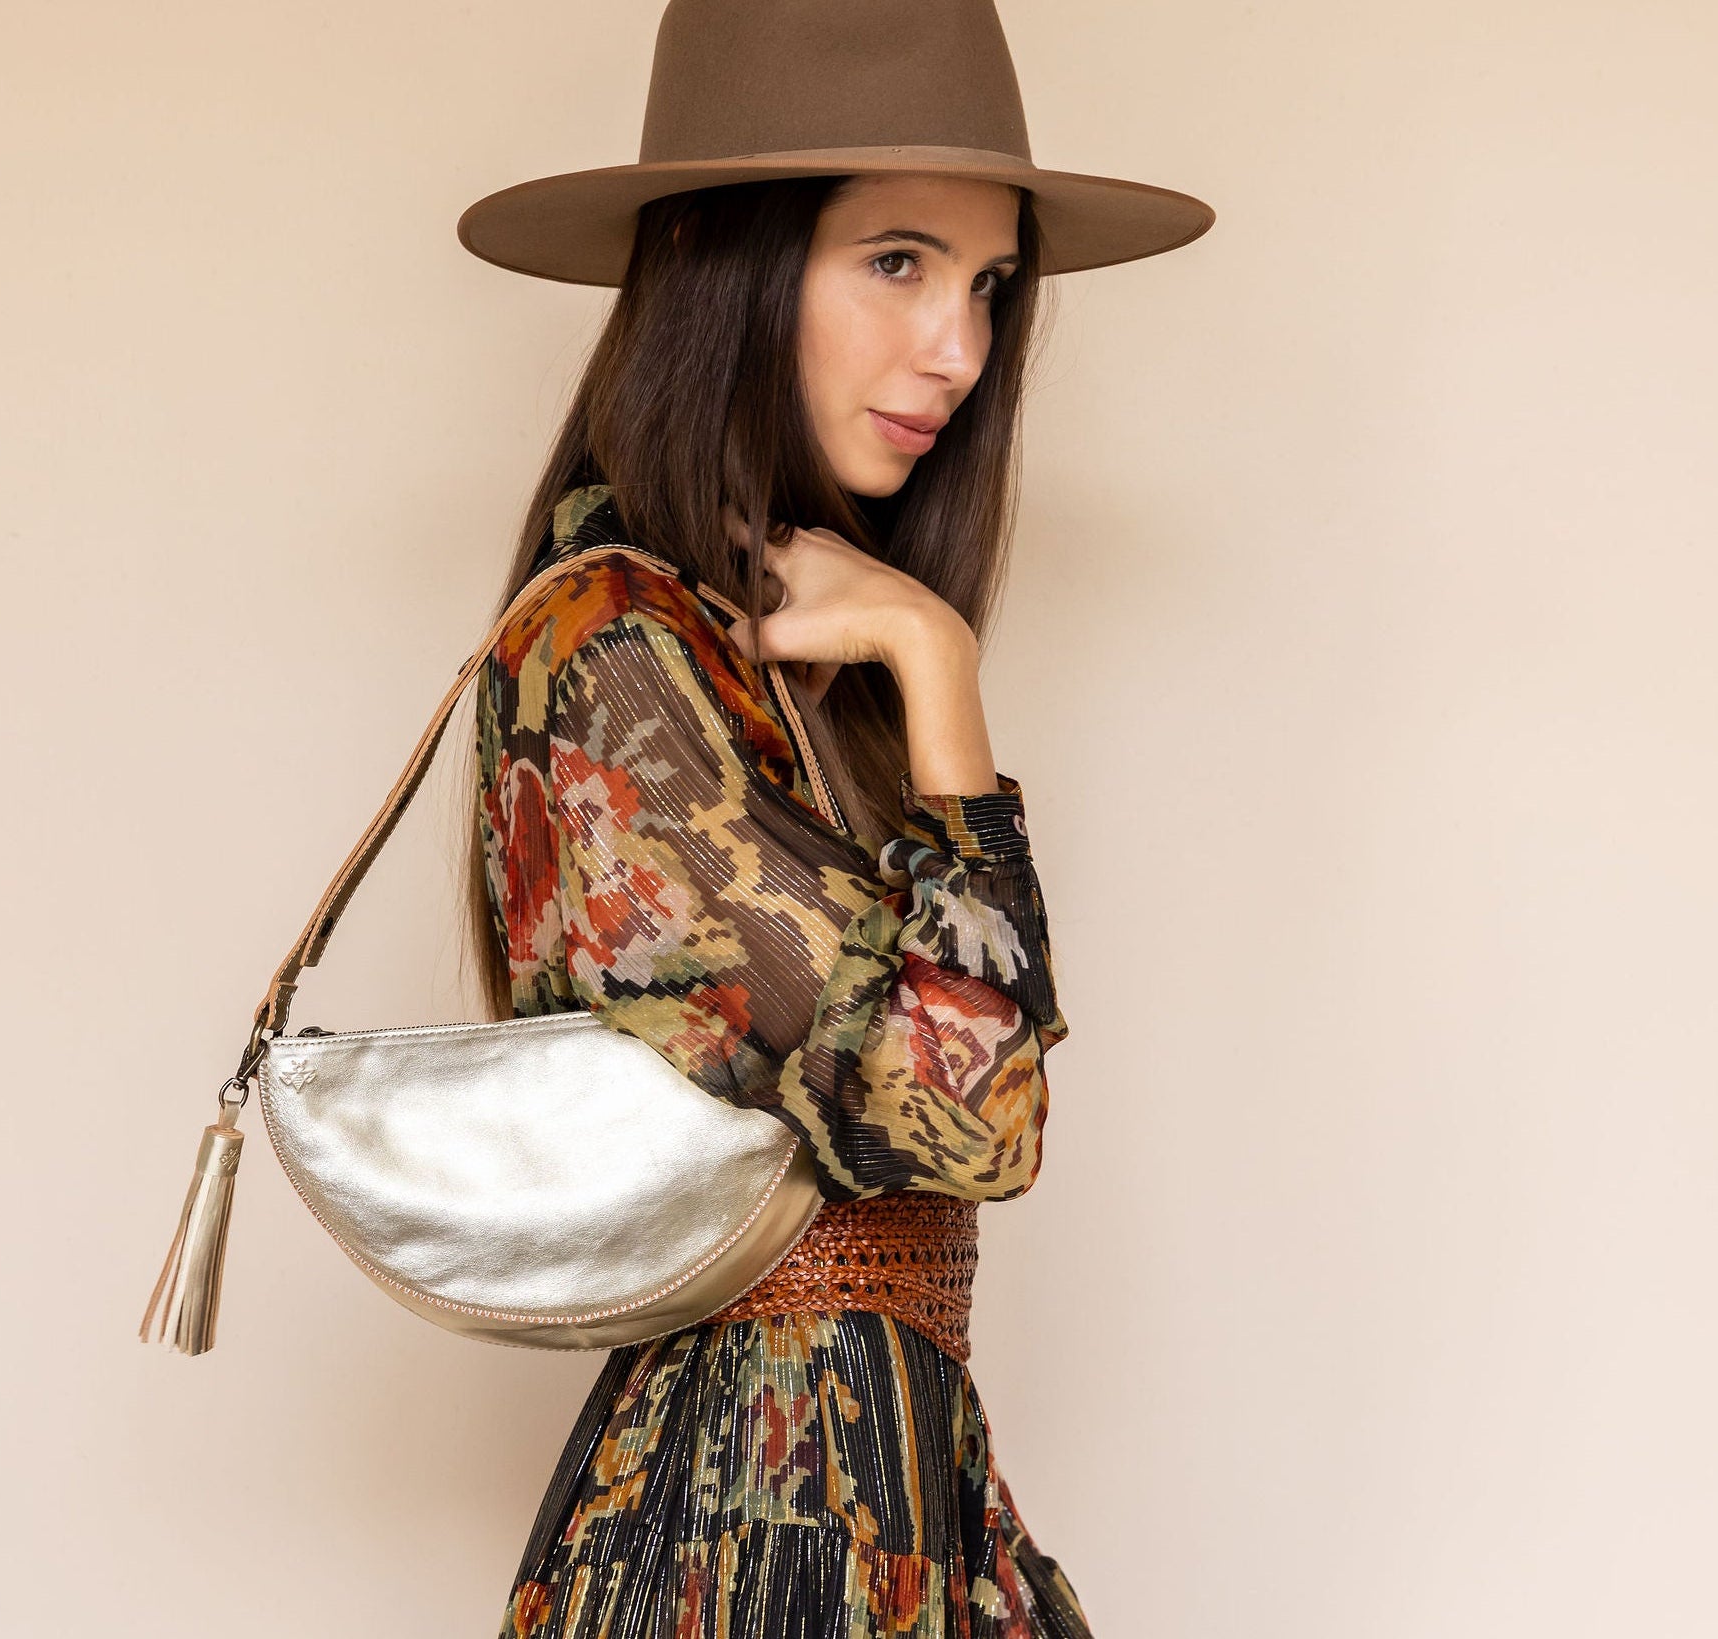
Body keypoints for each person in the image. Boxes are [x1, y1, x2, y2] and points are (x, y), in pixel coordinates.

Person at [454, 4, 1213, 1633]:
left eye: (990, 286)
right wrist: (945, 675)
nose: (960, 347)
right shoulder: (609, 652)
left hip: (878, 1491)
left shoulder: (772, 644)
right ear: (733, 265)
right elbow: (978, 1105)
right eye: (897, 263)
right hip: (749, 1527)